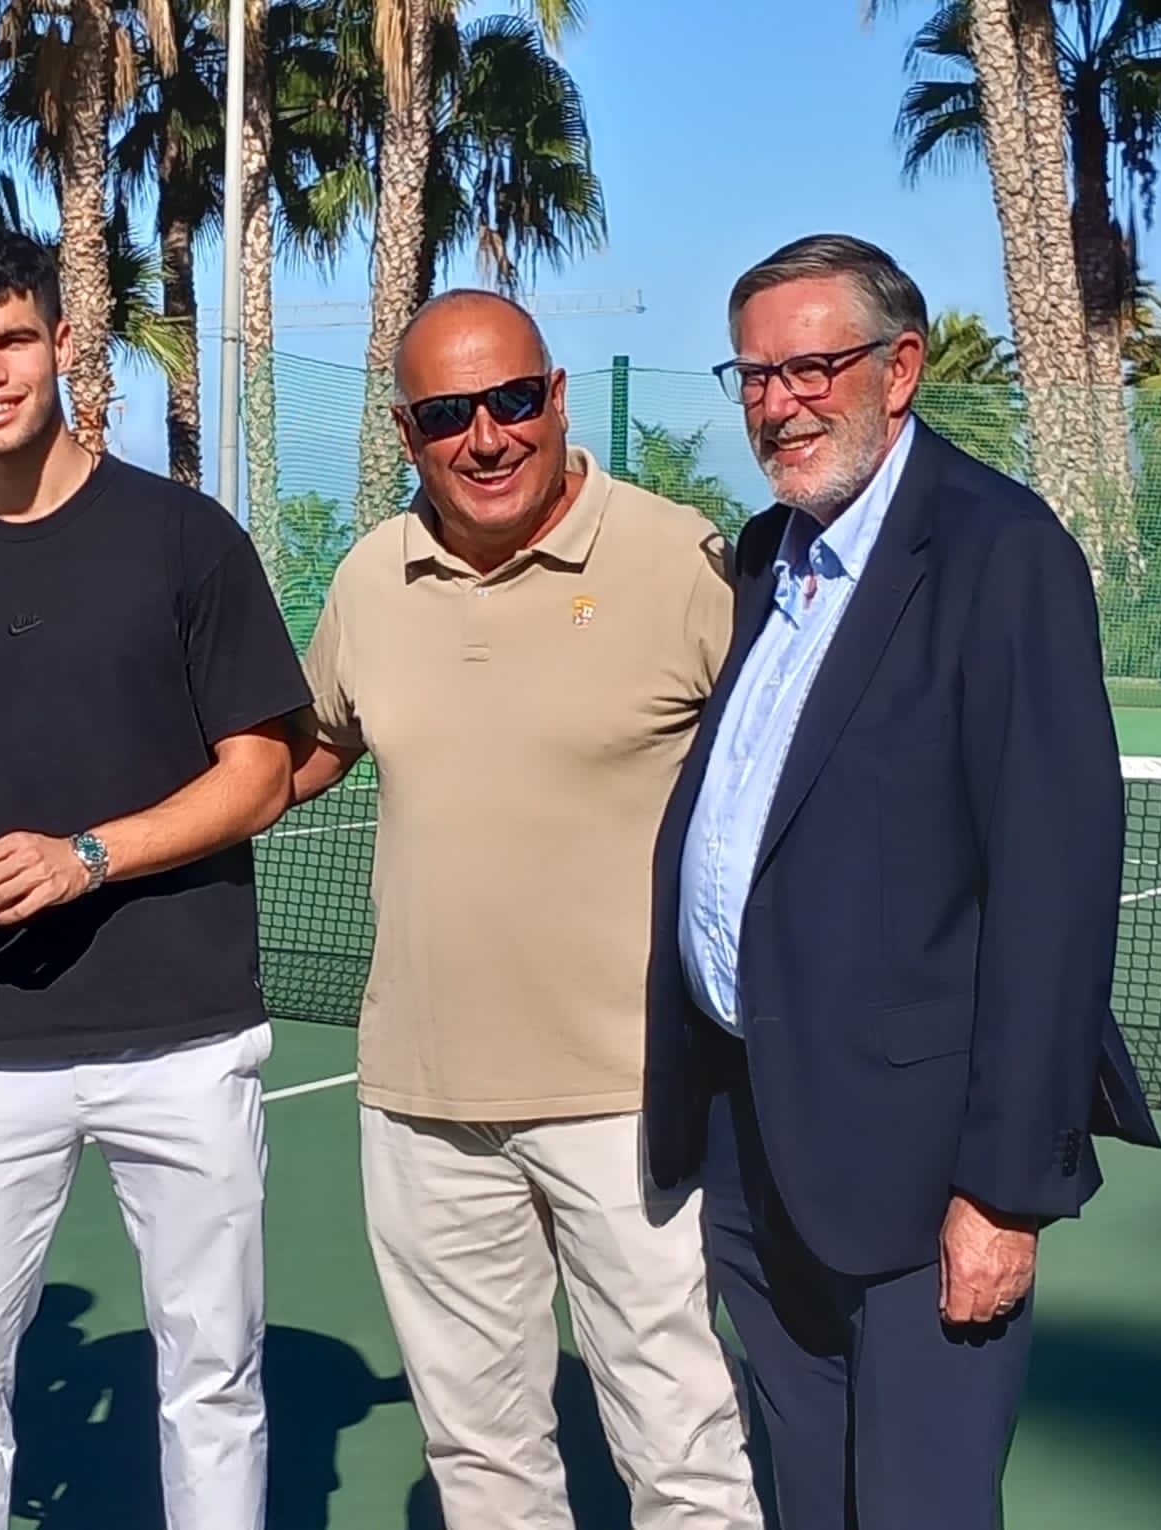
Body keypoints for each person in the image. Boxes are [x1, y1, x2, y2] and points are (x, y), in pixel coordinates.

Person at [647, 233, 1161, 1529]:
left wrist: (1004, 1190)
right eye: (754, 374)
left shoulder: (1000, 552)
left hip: (927, 1177)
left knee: (922, 1506)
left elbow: (1054, 890)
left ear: (904, 366)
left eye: (812, 365)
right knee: (813, 1498)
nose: (780, 402)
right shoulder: (772, 552)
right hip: (762, 1147)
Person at [0, 225, 309, 1530]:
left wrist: (86, 856)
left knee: (212, 1375)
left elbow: (260, 771)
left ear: (62, 345)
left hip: (187, 1035)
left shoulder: (186, 539)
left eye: (12, 339)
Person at [288, 288, 763, 1528]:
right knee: (483, 1460)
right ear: (408, 433)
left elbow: (793, 766)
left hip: (633, 1100)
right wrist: (87, 833)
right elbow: (296, 755)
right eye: (448, 414)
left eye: (510, 402)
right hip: (421, 1106)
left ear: (555, 402)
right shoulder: (370, 578)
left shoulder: (680, 558)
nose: (485, 438)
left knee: (682, 1448)